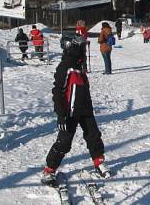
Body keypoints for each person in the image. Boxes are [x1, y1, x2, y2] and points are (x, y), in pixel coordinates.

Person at [41, 36, 110, 186]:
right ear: (72, 48)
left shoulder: (79, 66)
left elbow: (84, 89)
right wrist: (61, 114)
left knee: (93, 135)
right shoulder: (65, 66)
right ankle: (49, 169)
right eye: (81, 47)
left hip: (85, 110)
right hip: (69, 112)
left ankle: (99, 161)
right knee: (64, 142)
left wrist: (89, 107)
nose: (83, 50)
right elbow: (57, 91)